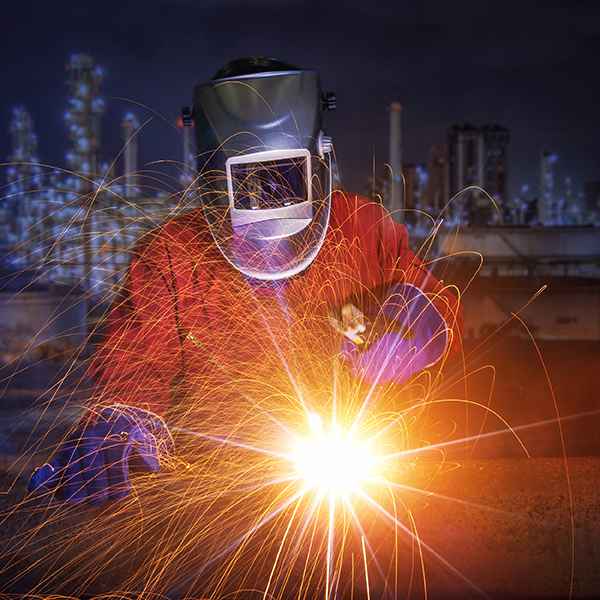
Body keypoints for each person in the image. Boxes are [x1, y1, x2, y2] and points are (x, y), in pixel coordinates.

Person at [29, 57, 465, 505]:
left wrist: (412, 325)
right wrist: (125, 415)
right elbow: (136, 357)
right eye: (251, 188)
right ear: (212, 175)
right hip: (225, 490)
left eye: (285, 182)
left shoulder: (361, 223)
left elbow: (436, 299)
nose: (271, 212)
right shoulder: (172, 252)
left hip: (373, 487)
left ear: (319, 160)